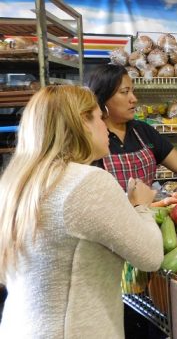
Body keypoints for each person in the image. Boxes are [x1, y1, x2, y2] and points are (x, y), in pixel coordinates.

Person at [0, 85, 163, 338]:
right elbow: (150, 256)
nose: (105, 126)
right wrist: (142, 206)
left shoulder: (17, 182)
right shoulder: (87, 182)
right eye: (99, 117)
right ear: (81, 123)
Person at [85, 63, 177, 191]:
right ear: (103, 97)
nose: (133, 99)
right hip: (112, 210)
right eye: (124, 92)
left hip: (147, 209)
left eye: (133, 91)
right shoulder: (91, 137)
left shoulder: (141, 130)